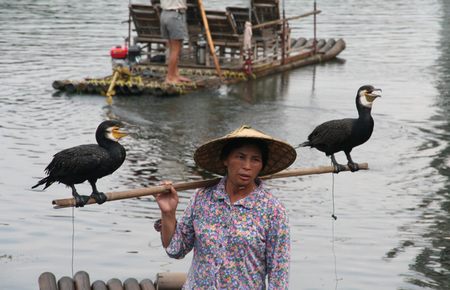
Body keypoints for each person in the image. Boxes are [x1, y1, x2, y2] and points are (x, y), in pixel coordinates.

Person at [154, 125, 297, 289]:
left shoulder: (273, 210)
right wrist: (168, 213)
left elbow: (279, 275)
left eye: (255, 160)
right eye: (240, 157)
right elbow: (175, 250)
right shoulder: (203, 198)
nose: (247, 166)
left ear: (261, 166)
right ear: (225, 159)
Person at [159, 0, 192, 84]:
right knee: (176, 49)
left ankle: (175, 74)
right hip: (175, 15)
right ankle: (170, 77)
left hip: (164, 14)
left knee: (171, 48)